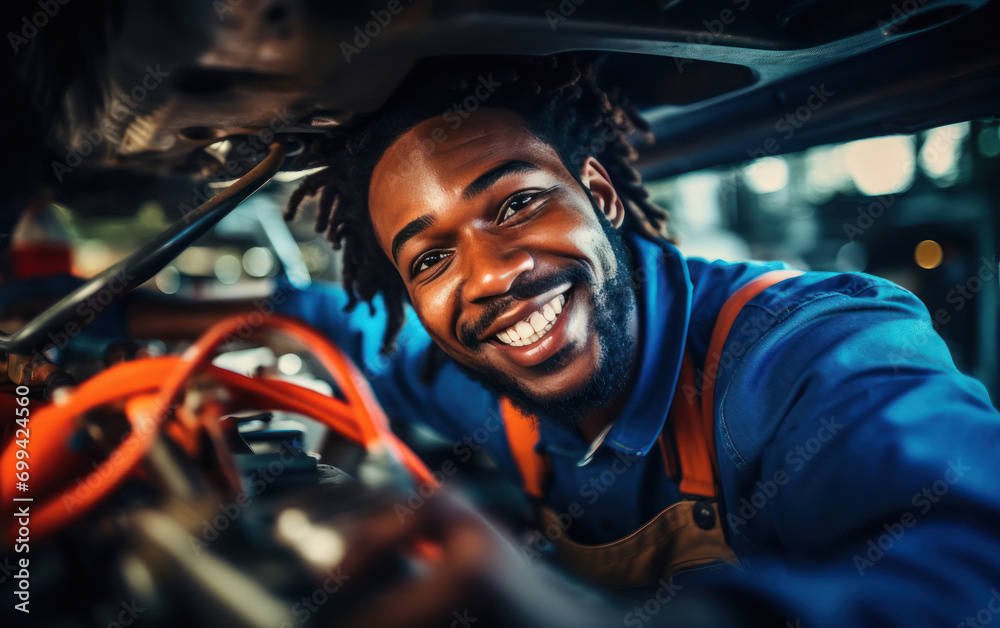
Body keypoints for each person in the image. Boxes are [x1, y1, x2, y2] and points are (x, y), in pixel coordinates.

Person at [265, 54, 1000, 625]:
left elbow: (975, 567)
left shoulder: (806, 354)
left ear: (602, 193)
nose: (491, 277)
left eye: (518, 203)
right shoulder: (466, 373)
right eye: (430, 258)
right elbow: (332, 321)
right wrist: (151, 313)